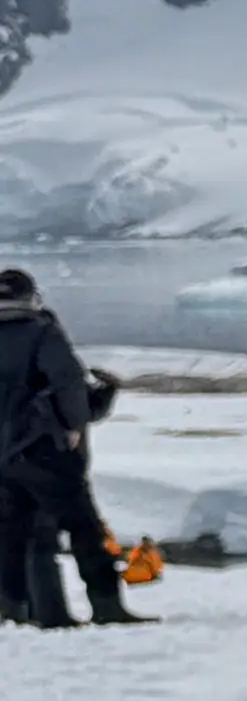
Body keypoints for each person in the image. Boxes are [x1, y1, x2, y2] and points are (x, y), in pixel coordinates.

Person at [1, 266, 135, 629]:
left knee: (15, 534)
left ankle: (16, 610)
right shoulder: (42, 332)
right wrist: (75, 424)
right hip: (45, 450)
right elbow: (68, 383)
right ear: (30, 297)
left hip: (4, 456)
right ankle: (106, 606)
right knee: (84, 527)